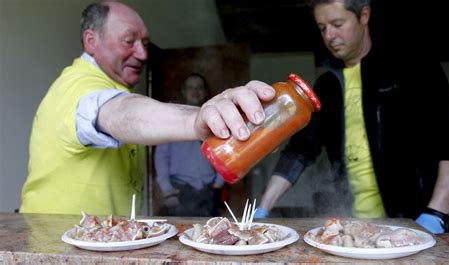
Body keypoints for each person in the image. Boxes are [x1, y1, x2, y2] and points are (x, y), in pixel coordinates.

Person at [19, 1, 275, 216]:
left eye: (145, 43)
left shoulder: (110, 86)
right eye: (129, 41)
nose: (142, 54)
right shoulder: (77, 87)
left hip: (95, 241)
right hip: (54, 246)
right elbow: (117, 111)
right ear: (91, 40)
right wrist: (197, 120)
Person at [254, 0, 449, 234]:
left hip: (414, 221)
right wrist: (263, 209)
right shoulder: (327, 87)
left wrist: (436, 213)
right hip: (352, 224)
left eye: (337, 23)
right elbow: (301, 150)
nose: (329, 36)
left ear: (364, 16)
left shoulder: (412, 69)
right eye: (322, 27)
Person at [155, 73, 224, 216]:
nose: (195, 91)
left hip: (209, 188)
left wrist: (219, 181)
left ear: (205, 92)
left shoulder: (214, 119)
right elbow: (162, 156)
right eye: (191, 88)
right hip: (179, 189)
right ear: (184, 91)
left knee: (210, 235)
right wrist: (167, 189)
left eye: (199, 87)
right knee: (181, 233)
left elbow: (223, 150)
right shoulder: (172, 119)